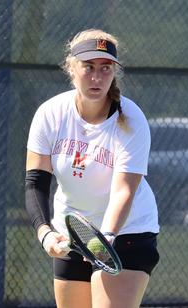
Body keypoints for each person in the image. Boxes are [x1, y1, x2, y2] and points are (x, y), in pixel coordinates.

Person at [25, 28, 160, 308]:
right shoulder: (50, 114)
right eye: (88, 67)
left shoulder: (132, 120)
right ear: (71, 68)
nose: (97, 77)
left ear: (114, 73)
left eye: (105, 68)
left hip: (126, 234)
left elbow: (124, 190)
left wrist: (104, 242)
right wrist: (45, 234)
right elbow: (36, 182)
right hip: (71, 232)